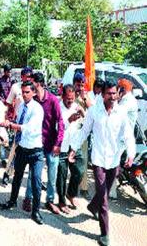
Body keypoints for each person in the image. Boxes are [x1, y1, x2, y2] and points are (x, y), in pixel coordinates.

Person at [69, 80, 135, 246]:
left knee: (103, 192)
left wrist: (131, 154)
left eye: (115, 93)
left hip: (114, 159)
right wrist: (74, 148)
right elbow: (84, 131)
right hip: (98, 159)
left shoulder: (121, 113)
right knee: (104, 198)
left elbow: (128, 135)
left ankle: (92, 207)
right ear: (103, 94)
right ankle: (105, 234)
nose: (112, 97)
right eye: (109, 94)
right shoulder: (94, 111)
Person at [0, 81, 45, 225]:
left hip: (36, 151)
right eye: (23, 92)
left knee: (36, 182)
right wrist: (9, 121)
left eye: (27, 92)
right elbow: (18, 121)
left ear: (34, 93)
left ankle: (36, 211)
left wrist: (11, 125)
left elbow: (28, 128)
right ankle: (12, 201)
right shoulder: (21, 106)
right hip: (22, 148)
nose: (24, 95)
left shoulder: (37, 109)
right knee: (17, 178)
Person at [23, 72, 64, 215]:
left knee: (52, 176)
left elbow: (60, 123)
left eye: (31, 83)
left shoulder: (52, 100)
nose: (29, 85)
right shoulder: (32, 102)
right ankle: (28, 198)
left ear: (38, 84)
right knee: (34, 175)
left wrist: (58, 143)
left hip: (51, 144)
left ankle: (50, 201)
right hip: (36, 144)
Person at [56, 85, 85, 213]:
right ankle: (61, 201)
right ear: (62, 96)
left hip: (74, 146)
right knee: (61, 176)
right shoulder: (57, 107)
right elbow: (56, 128)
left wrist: (84, 113)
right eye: (68, 98)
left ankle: (71, 194)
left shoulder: (76, 106)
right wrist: (68, 120)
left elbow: (85, 124)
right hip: (61, 147)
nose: (70, 101)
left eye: (72, 98)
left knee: (80, 171)